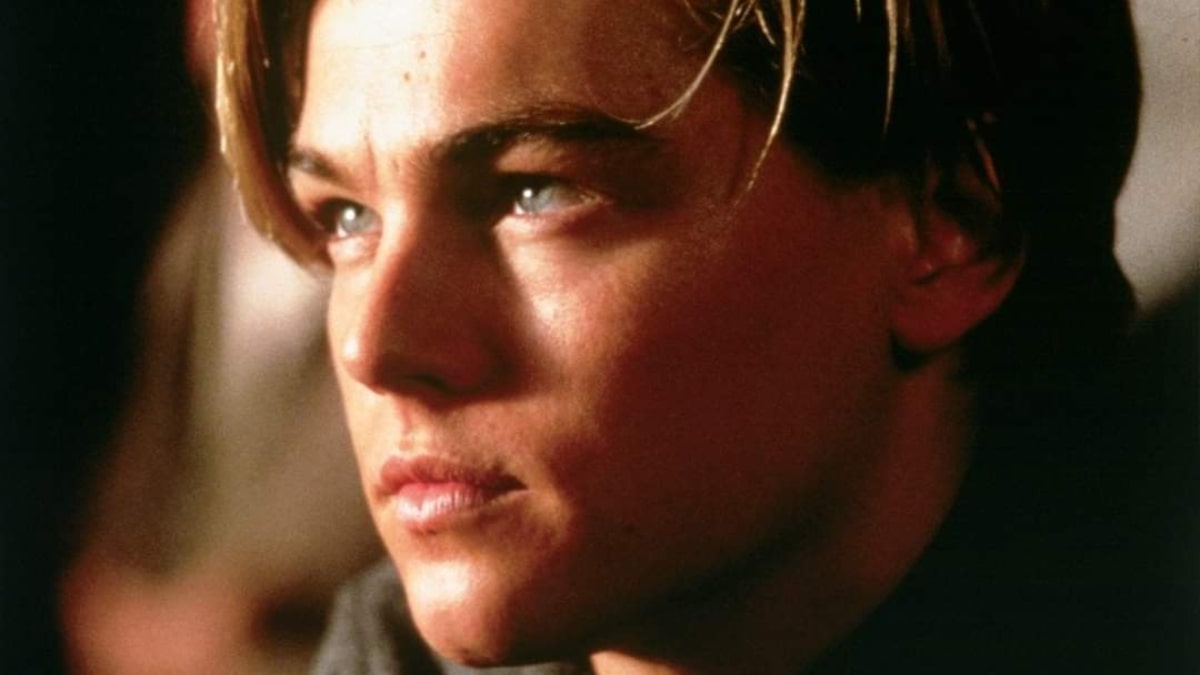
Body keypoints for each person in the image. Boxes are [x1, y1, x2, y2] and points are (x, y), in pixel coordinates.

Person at [214, 0, 1193, 672]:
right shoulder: (390, 654)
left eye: (535, 191)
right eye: (346, 216)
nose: (374, 347)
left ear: (948, 233)